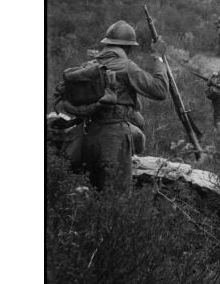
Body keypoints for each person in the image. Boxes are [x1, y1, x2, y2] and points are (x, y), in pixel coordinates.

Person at [56, 20, 168, 192]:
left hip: (87, 136)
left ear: (107, 44)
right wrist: (159, 58)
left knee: (93, 198)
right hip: (113, 139)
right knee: (117, 200)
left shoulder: (89, 66)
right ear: (129, 48)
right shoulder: (127, 66)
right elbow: (160, 91)